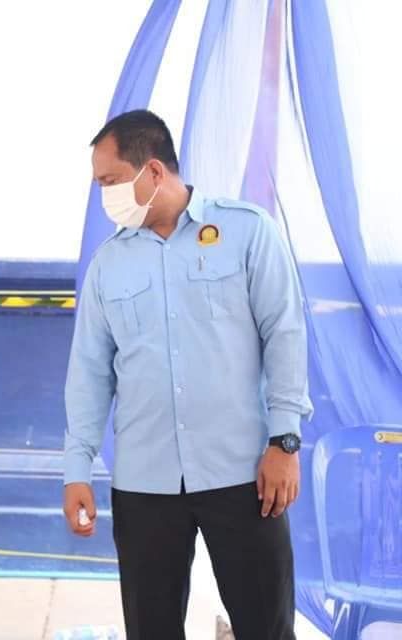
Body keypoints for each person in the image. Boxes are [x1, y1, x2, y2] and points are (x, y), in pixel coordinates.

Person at [63, 110, 312, 640]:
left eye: (110, 181)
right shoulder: (109, 264)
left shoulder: (247, 232)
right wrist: (76, 469)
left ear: (153, 171)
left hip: (244, 473)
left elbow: (285, 335)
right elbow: (88, 372)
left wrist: (285, 441)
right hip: (144, 481)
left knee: (266, 627)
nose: (105, 196)